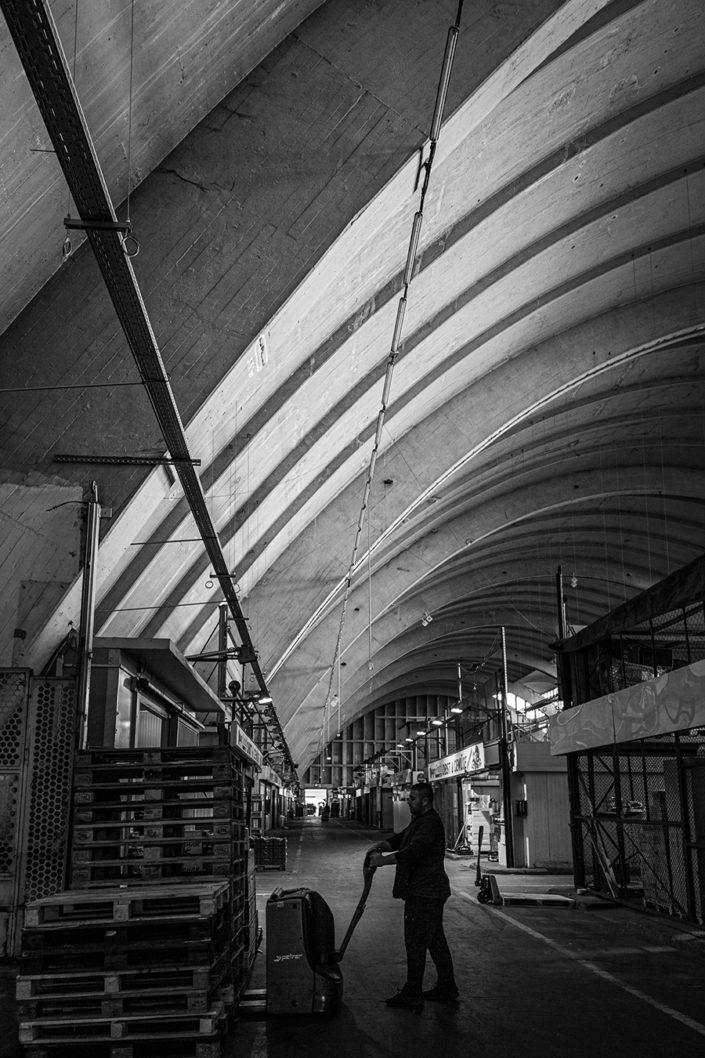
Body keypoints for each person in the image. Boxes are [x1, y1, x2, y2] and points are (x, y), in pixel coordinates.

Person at [367, 782, 459, 1011]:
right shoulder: (420, 822)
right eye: (410, 798)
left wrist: (383, 860)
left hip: (425, 892)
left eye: (413, 798)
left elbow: (414, 851)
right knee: (435, 941)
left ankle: (412, 992)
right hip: (426, 891)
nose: (409, 801)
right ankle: (447, 987)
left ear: (425, 801)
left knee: (416, 943)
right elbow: (403, 839)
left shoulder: (430, 824)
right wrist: (384, 844)